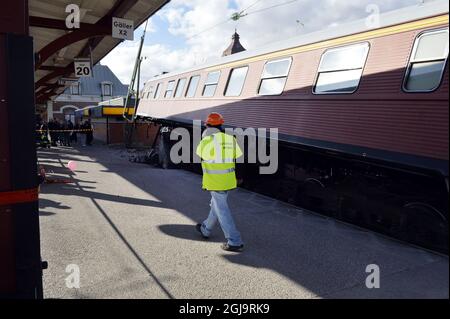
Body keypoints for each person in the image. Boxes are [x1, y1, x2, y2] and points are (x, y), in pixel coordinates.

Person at [195, 112, 244, 252]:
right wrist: (239, 177)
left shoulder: (205, 141)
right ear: (221, 125)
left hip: (215, 181)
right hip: (228, 180)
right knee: (215, 205)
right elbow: (240, 159)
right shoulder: (230, 139)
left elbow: (201, 157)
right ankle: (206, 229)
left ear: (207, 125)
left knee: (221, 209)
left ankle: (234, 240)